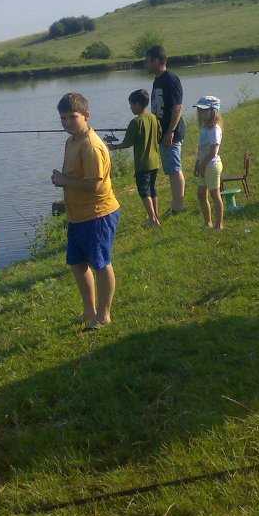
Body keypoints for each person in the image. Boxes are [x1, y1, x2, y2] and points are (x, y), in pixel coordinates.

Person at [51, 93, 121, 331]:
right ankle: (89, 311)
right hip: (77, 216)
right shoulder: (71, 141)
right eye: (63, 118)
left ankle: (104, 315)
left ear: (86, 116)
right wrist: (64, 179)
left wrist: (63, 181)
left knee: (101, 264)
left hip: (97, 214)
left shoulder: (91, 145)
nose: (67, 122)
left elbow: (95, 185)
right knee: (78, 263)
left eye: (73, 117)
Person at [109, 89, 162, 226]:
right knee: (152, 189)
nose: (130, 107)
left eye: (131, 104)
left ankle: (152, 220)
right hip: (155, 162)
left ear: (138, 104)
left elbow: (127, 143)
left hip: (143, 164)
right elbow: (159, 135)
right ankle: (156, 217)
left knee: (144, 192)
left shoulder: (135, 122)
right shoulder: (154, 118)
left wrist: (114, 147)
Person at [147, 46, 186, 214]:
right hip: (163, 133)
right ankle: (176, 204)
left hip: (171, 133)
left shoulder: (171, 79)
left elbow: (178, 107)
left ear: (156, 61)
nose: (146, 64)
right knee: (171, 169)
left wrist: (171, 131)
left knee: (174, 169)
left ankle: (178, 207)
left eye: (147, 61)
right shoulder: (157, 80)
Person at [193, 96, 224, 230]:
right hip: (203, 165)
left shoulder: (214, 129)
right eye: (199, 110)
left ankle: (219, 224)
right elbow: (202, 149)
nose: (200, 112)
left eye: (203, 110)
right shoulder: (204, 128)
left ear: (212, 111)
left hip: (211, 166)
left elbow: (213, 151)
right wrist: (197, 163)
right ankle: (207, 223)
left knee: (214, 195)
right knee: (201, 195)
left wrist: (203, 165)